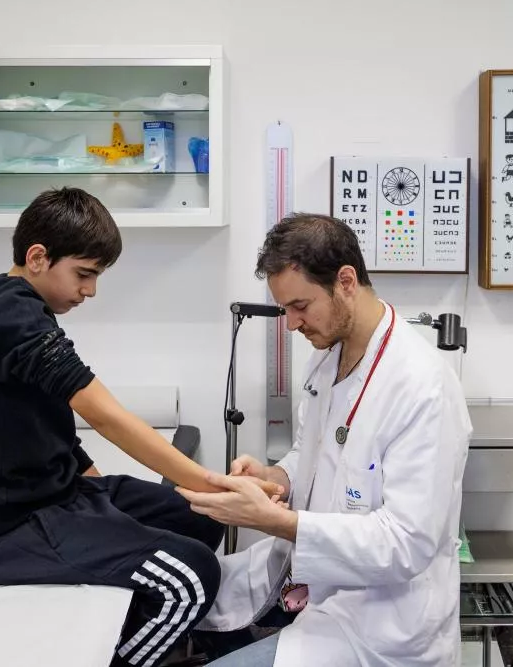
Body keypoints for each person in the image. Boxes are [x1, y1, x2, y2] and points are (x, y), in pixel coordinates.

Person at [0, 187, 280, 667]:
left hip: (56, 496)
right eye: (84, 274)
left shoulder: (6, 304)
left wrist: (102, 502)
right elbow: (106, 415)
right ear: (37, 257)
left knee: (197, 517)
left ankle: (153, 628)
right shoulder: (11, 315)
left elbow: (44, 421)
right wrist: (213, 483)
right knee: (193, 574)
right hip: (1, 532)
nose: (90, 291)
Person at [176, 213, 473, 666]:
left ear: (346, 281)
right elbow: (312, 458)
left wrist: (276, 522)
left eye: (300, 306)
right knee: (178, 597)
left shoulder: (423, 385)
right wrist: (274, 477)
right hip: (319, 591)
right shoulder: (327, 359)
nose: (292, 324)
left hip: (382, 625)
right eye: (285, 310)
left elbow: (405, 544)